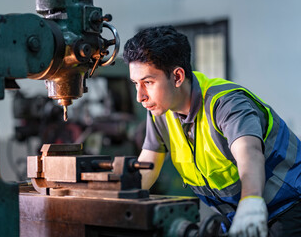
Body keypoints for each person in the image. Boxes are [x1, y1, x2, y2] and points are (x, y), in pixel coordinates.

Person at [123, 25, 301, 237]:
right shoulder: (161, 112)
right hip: (237, 214)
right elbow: (147, 167)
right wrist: (113, 198)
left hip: (289, 206)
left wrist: (251, 202)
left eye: (148, 82)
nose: (139, 96)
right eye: (135, 84)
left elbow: (250, 153)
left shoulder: (226, 104)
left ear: (178, 77)